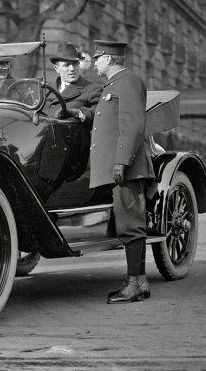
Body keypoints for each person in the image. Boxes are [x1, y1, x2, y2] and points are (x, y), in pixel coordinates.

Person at [89, 40, 153, 304]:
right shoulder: (113, 85)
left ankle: (135, 284)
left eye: (97, 58)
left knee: (131, 225)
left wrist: (122, 161)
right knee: (128, 223)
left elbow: (133, 125)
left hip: (127, 168)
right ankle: (138, 282)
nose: (94, 63)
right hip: (120, 167)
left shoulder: (128, 82)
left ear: (108, 58)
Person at [46, 42, 102, 124]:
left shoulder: (92, 89)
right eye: (66, 65)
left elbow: (100, 114)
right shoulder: (46, 90)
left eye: (75, 64)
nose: (72, 68)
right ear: (57, 68)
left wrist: (78, 112)